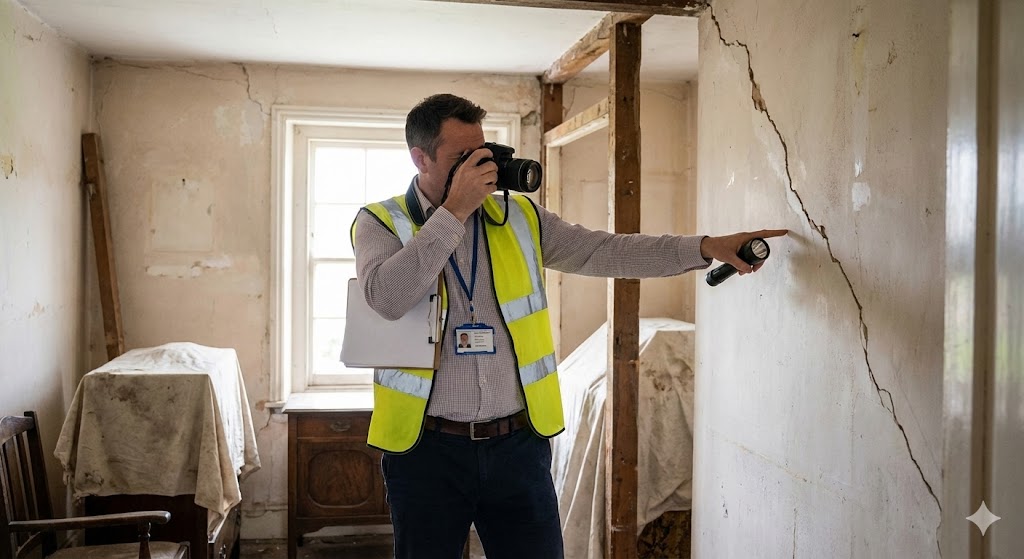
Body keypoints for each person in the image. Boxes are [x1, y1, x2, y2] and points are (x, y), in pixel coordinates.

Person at [352, 93, 787, 559]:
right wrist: (454, 212)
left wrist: (704, 247)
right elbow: (386, 298)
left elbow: (607, 250)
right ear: (420, 158)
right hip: (426, 451)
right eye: (462, 158)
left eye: (482, 152)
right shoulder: (380, 222)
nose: (479, 167)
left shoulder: (518, 218)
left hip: (517, 448)